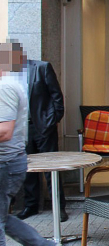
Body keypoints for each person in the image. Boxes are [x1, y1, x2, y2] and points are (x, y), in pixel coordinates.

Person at [0, 41, 61, 246]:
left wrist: (48, 125)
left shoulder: (6, 87)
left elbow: (4, 131)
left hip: (8, 160)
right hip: (13, 158)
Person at [16, 57, 66, 222]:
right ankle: (30, 206)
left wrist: (53, 120)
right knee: (27, 168)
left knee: (51, 169)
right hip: (21, 129)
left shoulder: (41, 68)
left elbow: (56, 95)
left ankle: (59, 208)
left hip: (44, 127)